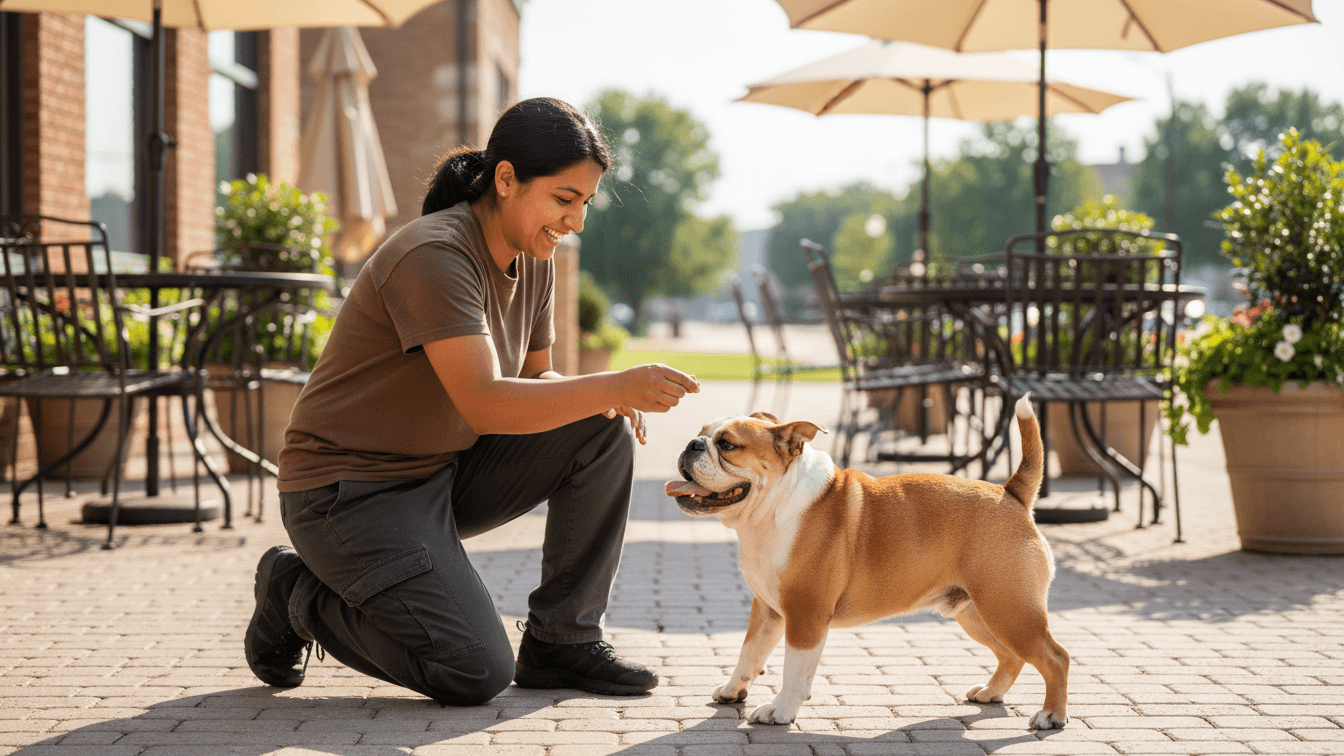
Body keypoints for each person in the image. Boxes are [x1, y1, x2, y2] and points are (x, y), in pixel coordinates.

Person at [243, 97, 700, 706]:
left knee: (600, 429)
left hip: (439, 474)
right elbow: (485, 403)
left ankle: (563, 642)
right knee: (473, 671)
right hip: (345, 494)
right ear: (506, 179)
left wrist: (601, 400)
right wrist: (611, 385)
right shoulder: (435, 254)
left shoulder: (536, 259)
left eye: (585, 203)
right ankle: (297, 595)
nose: (577, 222)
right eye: (565, 200)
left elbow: (538, 380)